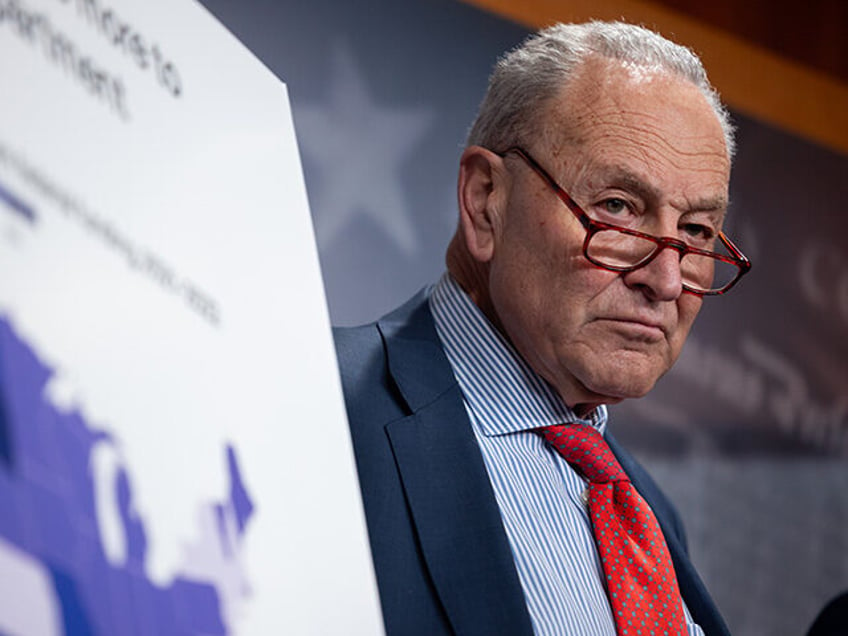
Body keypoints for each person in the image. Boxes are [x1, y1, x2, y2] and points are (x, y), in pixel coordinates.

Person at [335, 20, 750, 636]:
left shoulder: (649, 517)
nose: (665, 280)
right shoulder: (319, 400)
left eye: (694, 232)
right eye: (617, 207)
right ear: (485, 202)